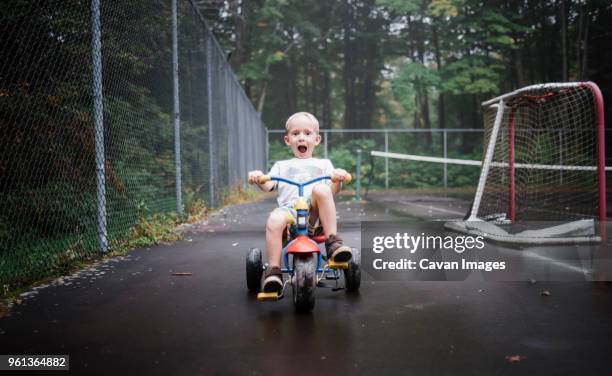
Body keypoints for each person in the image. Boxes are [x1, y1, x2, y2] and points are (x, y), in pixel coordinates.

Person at [248, 112, 352, 293]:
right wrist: (259, 178)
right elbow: (269, 185)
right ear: (287, 140)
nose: (301, 138)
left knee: (321, 189)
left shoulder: (325, 164)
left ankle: (333, 242)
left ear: (317, 139)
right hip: (289, 216)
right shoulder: (281, 166)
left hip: (314, 216)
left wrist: (338, 177)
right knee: (274, 218)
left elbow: (331, 192)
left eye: (307, 133)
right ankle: (273, 271)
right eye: (296, 134)